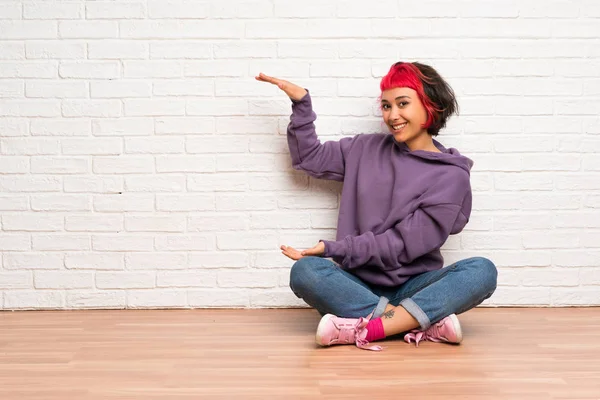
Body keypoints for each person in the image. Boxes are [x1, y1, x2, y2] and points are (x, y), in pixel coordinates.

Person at [255, 62, 497, 351]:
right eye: (386, 106)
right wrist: (301, 104)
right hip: (356, 284)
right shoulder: (364, 148)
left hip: (415, 285)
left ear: (431, 105)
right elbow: (310, 159)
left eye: (402, 104)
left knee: (482, 271)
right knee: (305, 271)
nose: (392, 115)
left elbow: (399, 244)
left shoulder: (451, 176)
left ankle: (363, 326)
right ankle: (419, 322)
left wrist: (333, 248)